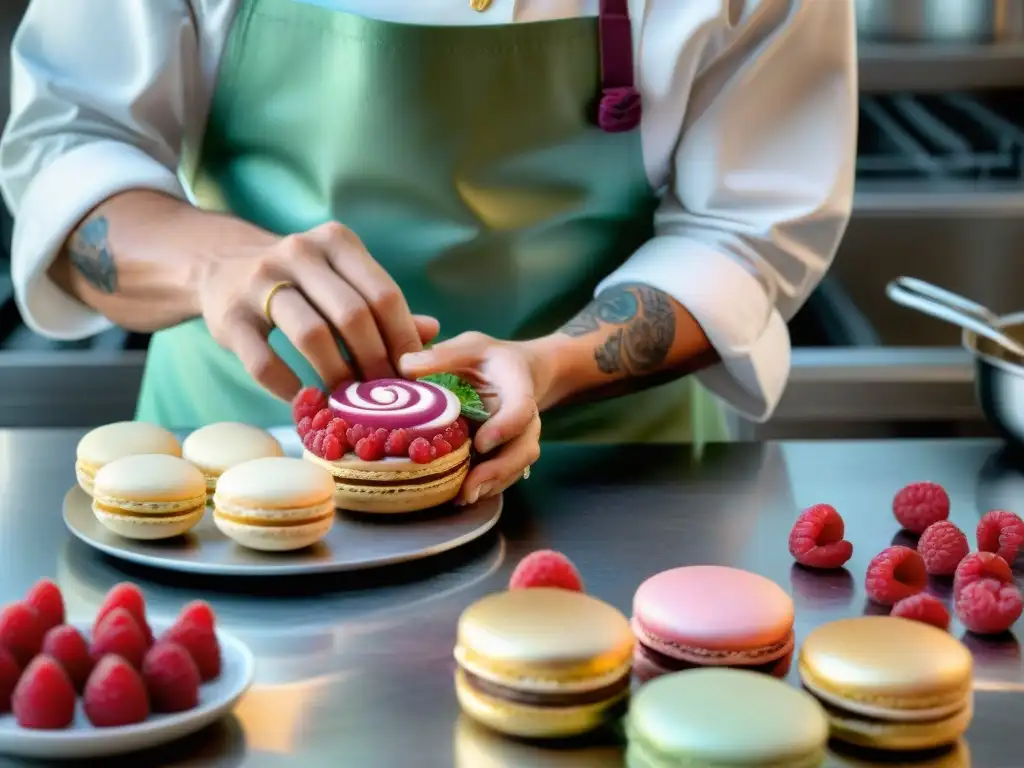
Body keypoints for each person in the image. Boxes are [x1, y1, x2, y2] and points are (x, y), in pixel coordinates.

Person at [0, 0, 856, 506]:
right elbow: (69, 147)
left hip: (610, 479)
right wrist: (213, 264)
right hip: (232, 470)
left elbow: (750, 230)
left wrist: (553, 367)